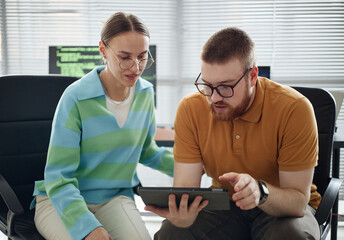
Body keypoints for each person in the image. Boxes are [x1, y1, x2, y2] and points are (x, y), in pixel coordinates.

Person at [146, 27, 321, 239]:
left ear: (253, 76)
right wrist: (184, 214)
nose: (214, 98)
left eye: (226, 87)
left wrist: (260, 192)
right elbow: (186, 187)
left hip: (282, 209)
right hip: (226, 206)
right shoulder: (191, 109)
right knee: (171, 234)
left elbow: (297, 202)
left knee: (291, 235)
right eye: (208, 85)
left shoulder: (295, 108)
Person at [31, 12, 174, 240]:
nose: (136, 67)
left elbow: (147, 151)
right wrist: (87, 227)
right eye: (125, 57)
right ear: (103, 50)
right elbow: (58, 177)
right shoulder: (76, 98)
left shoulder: (145, 93)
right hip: (60, 200)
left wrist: (193, 167)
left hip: (113, 198)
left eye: (142, 57)